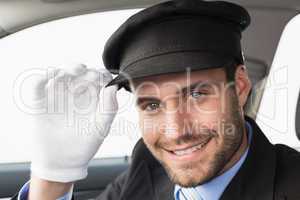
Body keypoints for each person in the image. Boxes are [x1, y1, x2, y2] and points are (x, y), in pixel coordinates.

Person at [12, 0, 300, 199]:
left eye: (197, 94)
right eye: (152, 105)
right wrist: (53, 177)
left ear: (239, 86)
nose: (176, 131)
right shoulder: (149, 164)